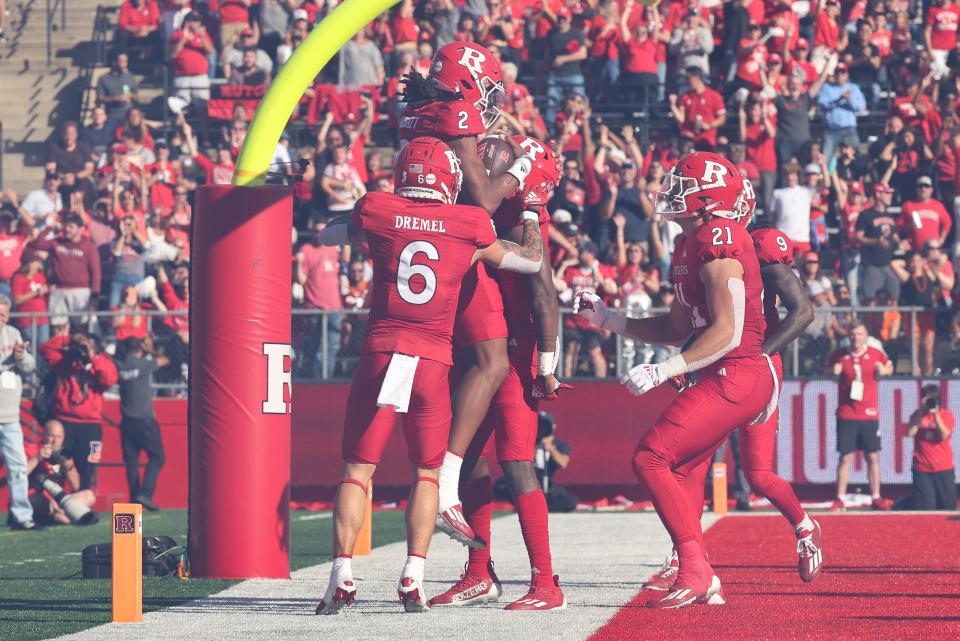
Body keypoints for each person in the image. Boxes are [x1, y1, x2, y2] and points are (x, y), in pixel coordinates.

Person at [313, 137, 543, 615]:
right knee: (426, 472)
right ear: (450, 178)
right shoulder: (469, 223)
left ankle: (342, 576)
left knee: (358, 470)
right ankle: (412, 578)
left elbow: (328, 236)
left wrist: (353, 226)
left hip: (382, 351)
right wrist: (531, 211)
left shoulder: (378, 209)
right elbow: (530, 262)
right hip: (432, 361)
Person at [575, 152, 774, 608]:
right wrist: (609, 319)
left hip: (738, 372)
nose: (671, 193)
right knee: (677, 469)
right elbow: (676, 328)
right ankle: (700, 570)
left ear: (705, 199)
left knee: (650, 458)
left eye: (681, 185)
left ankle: (695, 568)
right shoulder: (689, 243)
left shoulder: (718, 237)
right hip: (718, 369)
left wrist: (666, 368)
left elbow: (727, 331)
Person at [399, 42, 549, 545]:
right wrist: (523, 169)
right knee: (494, 363)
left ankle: (400, 558)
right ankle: (443, 484)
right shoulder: (456, 112)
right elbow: (484, 198)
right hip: (452, 245)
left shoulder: (415, 113)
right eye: (483, 86)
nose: (488, 99)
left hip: (409, 244)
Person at [643, 183, 823, 591]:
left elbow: (803, 311)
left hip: (753, 366)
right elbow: (705, 321)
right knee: (691, 462)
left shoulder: (757, 244)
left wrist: (759, 356)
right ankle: (686, 558)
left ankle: (805, 527)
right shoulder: (700, 247)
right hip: (720, 360)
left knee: (758, 473)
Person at [431, 136, 566, 611]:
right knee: (471, 460)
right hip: (482, 345)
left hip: (518, 344)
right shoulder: (477, 210)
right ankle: (478, 572)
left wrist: (547, 365)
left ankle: (546, 582)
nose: (478, 173)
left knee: (515, 460)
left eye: (489, 166)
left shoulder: (523, 216)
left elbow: (546, 295)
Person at [38, 331, 119, 491]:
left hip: (90, 427)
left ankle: (84, 503)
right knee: (57, 464)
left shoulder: (101, 362)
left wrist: (92, 356)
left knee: (89, 467)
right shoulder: (64, 361)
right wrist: (69, 339)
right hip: (63, 423)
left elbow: (110, 378)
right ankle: (57, 505)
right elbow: (44, 349)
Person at [828, 320, 894, 511]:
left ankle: (876, 497)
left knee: (872, 456)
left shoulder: (874, 353)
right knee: (845, 457)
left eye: (859, 334)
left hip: (869, 413)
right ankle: (840, 498)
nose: (855, 338)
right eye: (853, 334)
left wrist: (884, 370)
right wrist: (834, 372)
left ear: (866, 336)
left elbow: (889, 366)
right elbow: (827, 369)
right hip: (847, 413)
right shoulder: (840, 355)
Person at [0, 295, 40, 530]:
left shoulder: (14, 333)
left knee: (18, 466)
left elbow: (30, 367)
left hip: (10, 416)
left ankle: (22, 516)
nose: (1, 318)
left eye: (4, 314)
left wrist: (20, 356)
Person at [115, 336, 168, 511]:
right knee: (158, 457)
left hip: (127, 422)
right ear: (140, 348)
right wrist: (150, 350)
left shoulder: (120, 365)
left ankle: (134, 499)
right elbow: (165, 360)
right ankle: (145, 493)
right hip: (145, 421)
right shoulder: (144, 364)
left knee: (132, 463)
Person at [30, 214, 101, 326]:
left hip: (81, 291)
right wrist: (50, 228)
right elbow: (37, 244)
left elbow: (96, 272)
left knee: (83, 326)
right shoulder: (57, 242)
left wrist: (94, 295)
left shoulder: (89, 247)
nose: (67, 229)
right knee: (58, 326)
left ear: (80, 229)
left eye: (71, 227)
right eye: (66, 226)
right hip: (59, 290)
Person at [24, 419, 97, 525]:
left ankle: (58, 515)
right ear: (43, 435)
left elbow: (76, 486)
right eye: (51, 436)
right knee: (42, 502)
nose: (55, 441)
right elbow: (20, 474)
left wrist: (67, 466)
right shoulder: (32, 449)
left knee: (89, 495)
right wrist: (37, 458)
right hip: (36, 497)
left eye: (59, 437)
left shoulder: (63, 453)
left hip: (58, 499)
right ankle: (65, 516)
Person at [897, 384, 956, 510]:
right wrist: (921, 412)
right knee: (925, 507)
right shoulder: (917, 416)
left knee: (948, 506)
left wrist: (935, 415)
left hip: (943, 468)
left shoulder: (946, 415)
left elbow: (944, 434)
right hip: (922, 468)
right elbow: (909, 432)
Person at [544, 5, 587, 124]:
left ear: (569, 19)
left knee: (579, 103)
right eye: (559, 18)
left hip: (573, 74)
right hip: (555, 75)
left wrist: (564, 59)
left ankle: (580, 128)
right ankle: (551, 130)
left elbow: (583, 54)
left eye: (563, 18)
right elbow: (547, 52)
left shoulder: (576, 34)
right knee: (551, 103)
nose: (561, 21)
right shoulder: (551, 34)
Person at [816, 62, 866, 162]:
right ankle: (825, 176)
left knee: (856, 157)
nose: (840, 75)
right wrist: (838, 100)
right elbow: (821, 104)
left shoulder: (853, 88)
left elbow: (861, 106)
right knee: (826, 158)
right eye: (838, 73)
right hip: (831, 130)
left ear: (846, 75)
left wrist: (849, 99)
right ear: (834, 74)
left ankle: (857, 176)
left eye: (842, 73)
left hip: (849, 130)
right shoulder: (827, 88)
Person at [96, 52, 140, 122]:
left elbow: (137, 97)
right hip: (112, 115)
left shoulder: (130, 77)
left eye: (125, 61)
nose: (124, 64)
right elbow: (100, 98)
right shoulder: (104, 78)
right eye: (122, 61)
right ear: (114, 62)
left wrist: (131, 95)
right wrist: (116, 98)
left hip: (128, 116)